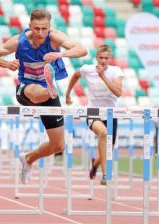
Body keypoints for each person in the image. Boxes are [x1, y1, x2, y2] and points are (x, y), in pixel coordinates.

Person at [0, 9, 87, 185]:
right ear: (30, 27)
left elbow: (82, 50)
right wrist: (7, 63)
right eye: (36, 28)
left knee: (58, 145)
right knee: (34, 93)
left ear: (49, 28)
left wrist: (59, 54)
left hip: (47, 94)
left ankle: (29, 158)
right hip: (25, 89)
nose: (40, 33)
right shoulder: (19, 41)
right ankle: (50, 87)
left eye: (44, 29)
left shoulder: (54, 37)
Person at [66, 44, 123, 185]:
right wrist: (68, 94)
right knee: (103, 133)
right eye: (101, 58)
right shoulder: (87, 69)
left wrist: (102, 76)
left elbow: (118, 92)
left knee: (108, 149)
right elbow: (75, 75)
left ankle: (95, 164)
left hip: (110, 114)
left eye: (106, 58)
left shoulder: (116, 72)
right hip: (93, 112)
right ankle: (105, 175)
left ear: (110, 59)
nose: (103, 61)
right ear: (96, 58)